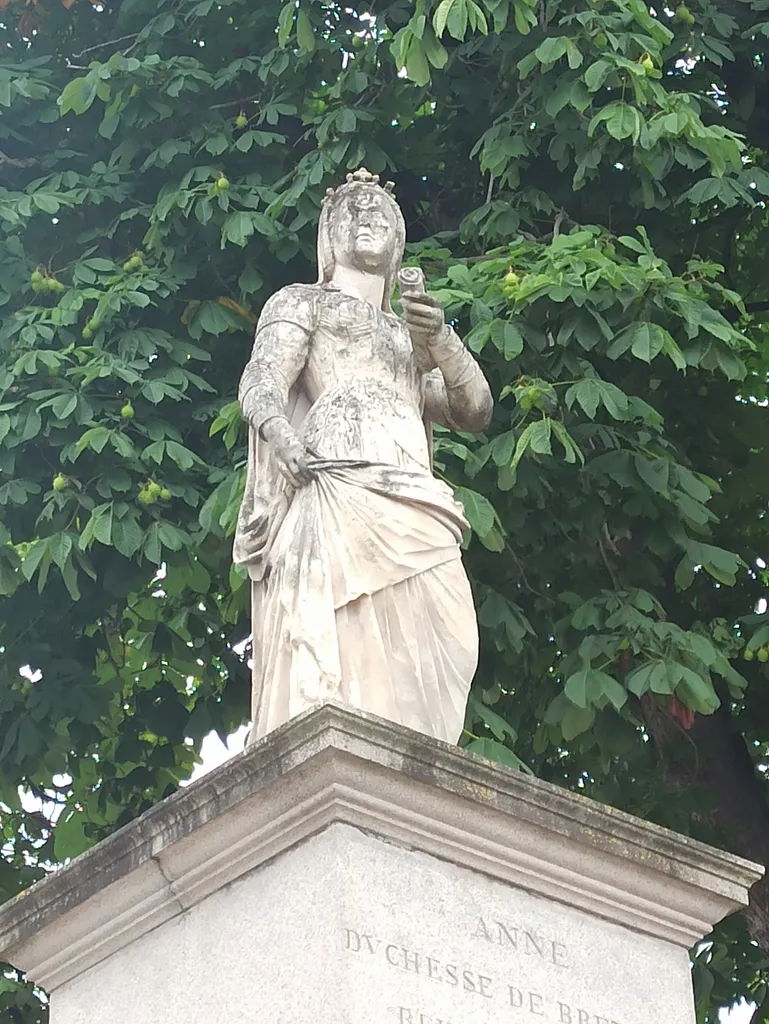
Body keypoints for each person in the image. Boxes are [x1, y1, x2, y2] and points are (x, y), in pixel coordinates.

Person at [233, 168, 493, 744]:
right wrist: (282, 435)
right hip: (337, 484)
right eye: (353, 210)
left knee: (448, 633)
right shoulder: (303, 303)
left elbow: (474, 409)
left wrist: (441, 339)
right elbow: (263, 381)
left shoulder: (410, 337)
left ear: (399, 244)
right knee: (345, 642)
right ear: (330, 236)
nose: (368, 217)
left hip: (411, 491)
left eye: (380, 213)